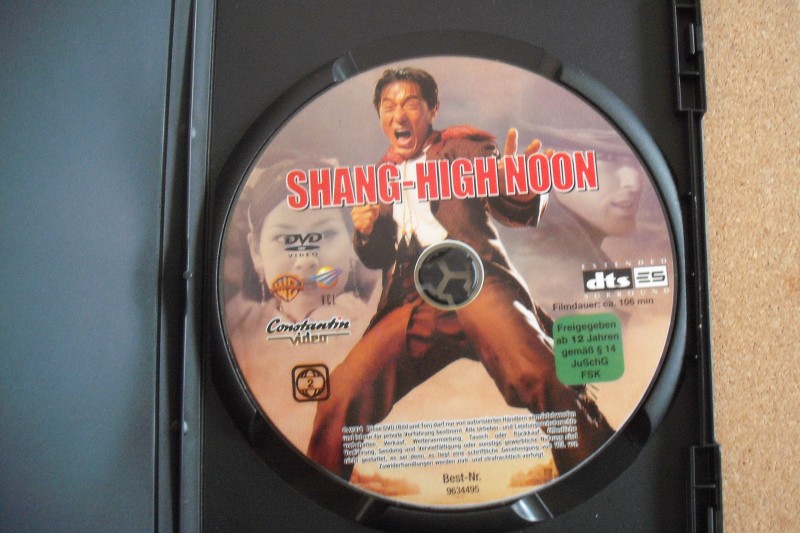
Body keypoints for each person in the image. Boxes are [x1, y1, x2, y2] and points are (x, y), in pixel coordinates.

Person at [307, 67, 613, 480]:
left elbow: (508, 196)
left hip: (476, 284)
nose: (399, 114)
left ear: (432, 109)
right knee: (340, 395)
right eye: (388, 106)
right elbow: (379, 255)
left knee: (540, 373)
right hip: (412, 303)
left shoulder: (463, 147)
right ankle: (319, 499)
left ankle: (598, 475)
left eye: (410, 103)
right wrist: (365, 232)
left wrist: (521, 190)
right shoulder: (380, 175)